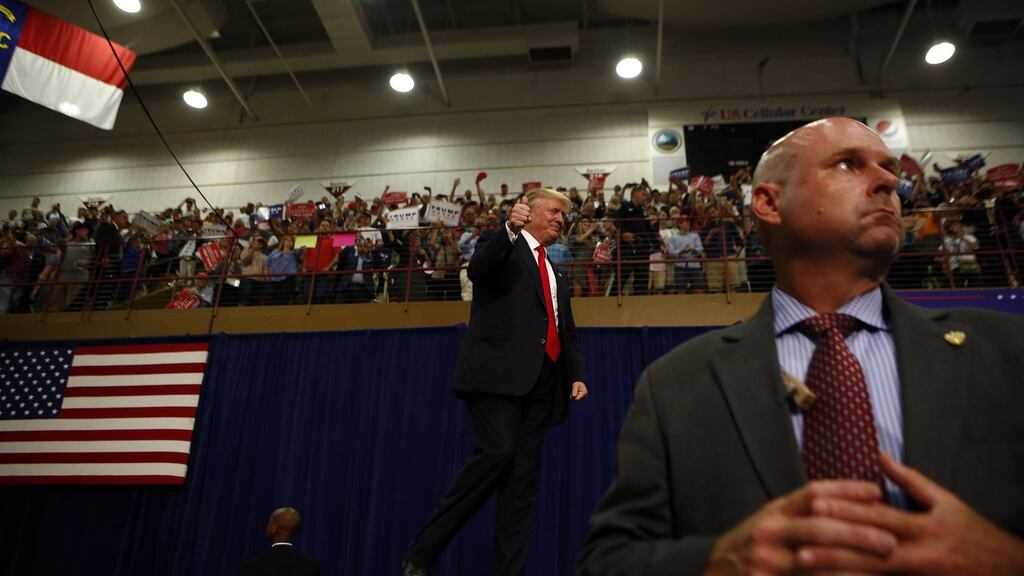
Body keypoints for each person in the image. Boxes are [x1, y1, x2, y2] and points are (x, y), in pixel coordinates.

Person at [577, 117, 1024, 575]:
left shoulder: (1007, 350)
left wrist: (1008, 559)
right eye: (848, 164)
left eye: (890, 169)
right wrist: (715, 562)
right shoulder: (675, 382)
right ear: (769, 202)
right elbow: (608, 560)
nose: (890, 181)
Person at [403, 188, 590, 576]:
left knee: (521, 489)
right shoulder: (500, 241)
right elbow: (478, 270)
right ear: (529, 211)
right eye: (554, 211)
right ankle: (423, 551)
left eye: (563, 215)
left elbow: (564, 329)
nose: (560, 219)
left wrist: (576, 375)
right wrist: (508, 228)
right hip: (498, 377)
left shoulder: (555, 271)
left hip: (543, 386)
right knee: (497, 453)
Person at [240, 507, 319, 576]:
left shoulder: (252, 566)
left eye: (269, 523)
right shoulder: (311, 567)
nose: (267, 526)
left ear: (274, 528)